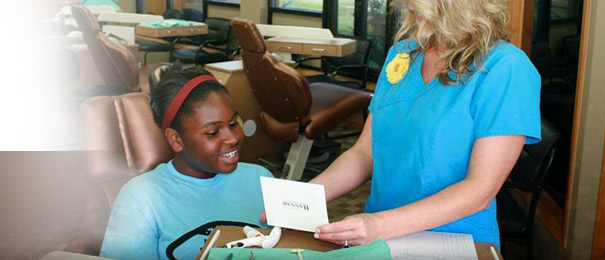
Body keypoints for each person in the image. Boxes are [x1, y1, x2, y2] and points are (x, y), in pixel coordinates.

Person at [307, 0, 540, 249]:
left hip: (452, 240)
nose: (408, 5)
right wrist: (303, 197)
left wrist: (379, 225)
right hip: (377, 234)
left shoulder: (506, 68)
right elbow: (365, 153)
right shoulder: (402, 54)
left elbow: (480, 190)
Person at [100, 64, 274, 260]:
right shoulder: (142, 197)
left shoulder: (260, 179)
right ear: (176, 139)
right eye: (212, 132)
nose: (232, 138)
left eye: (233, 123)